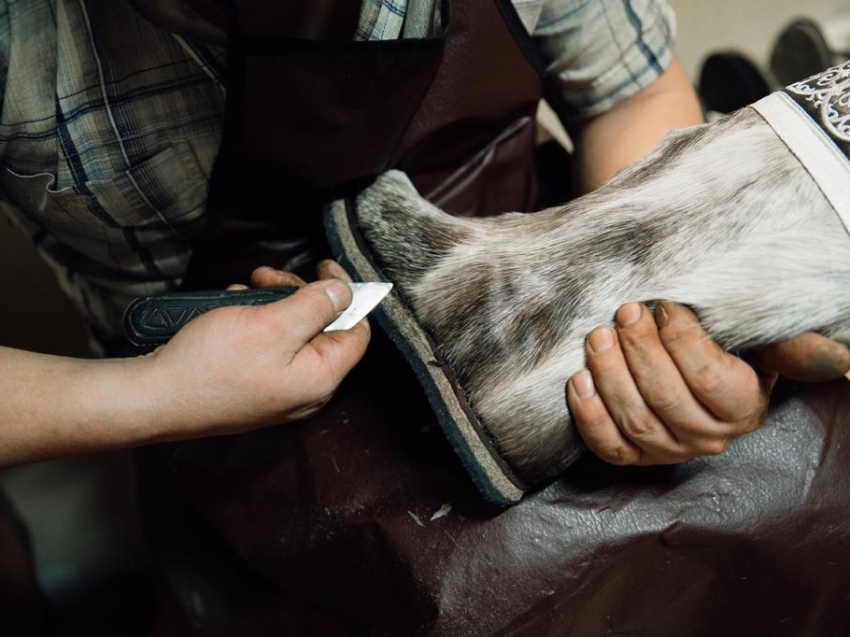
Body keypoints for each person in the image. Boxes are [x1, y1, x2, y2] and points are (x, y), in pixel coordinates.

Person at [0, 0, 848, 632]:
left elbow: (632, 96)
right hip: (204, 419)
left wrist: (658, 300)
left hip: (543, 265)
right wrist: (147, 396)